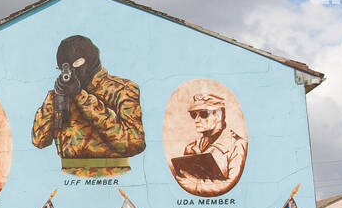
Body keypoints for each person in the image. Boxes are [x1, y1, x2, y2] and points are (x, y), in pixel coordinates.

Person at [31, 35, 145, 176]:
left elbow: (133, 144)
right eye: (63, 68)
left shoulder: (121, 90)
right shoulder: (59, 95)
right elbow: (39, 140)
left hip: (112, 174)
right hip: (69, 176)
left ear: (90, 59)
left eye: (77, 64)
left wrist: (81, 96)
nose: (71, 72)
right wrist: (55, 98)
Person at [173, 92, 247, 195]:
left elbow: (232, 184)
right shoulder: (192, 147)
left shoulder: (237, 145)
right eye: (193, 115)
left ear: (218, 115)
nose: (197, 120)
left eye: (203, 114)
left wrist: (196, 185)